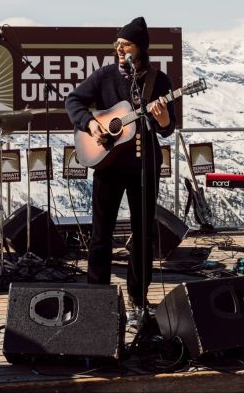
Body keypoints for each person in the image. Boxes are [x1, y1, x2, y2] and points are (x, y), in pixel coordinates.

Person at [65, 17, 175, 314]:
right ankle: (96, 299)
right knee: (101, 235)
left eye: (125, 44)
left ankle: (138, 298)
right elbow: (73, 101)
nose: (119, 49)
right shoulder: (104, 76)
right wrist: (90, 124)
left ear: (140, 48)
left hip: (144, 167)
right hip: (108, 166)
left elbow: (167, 128)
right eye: (117, 45)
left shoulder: (158, 80)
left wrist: (162, 118)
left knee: (142, 237)